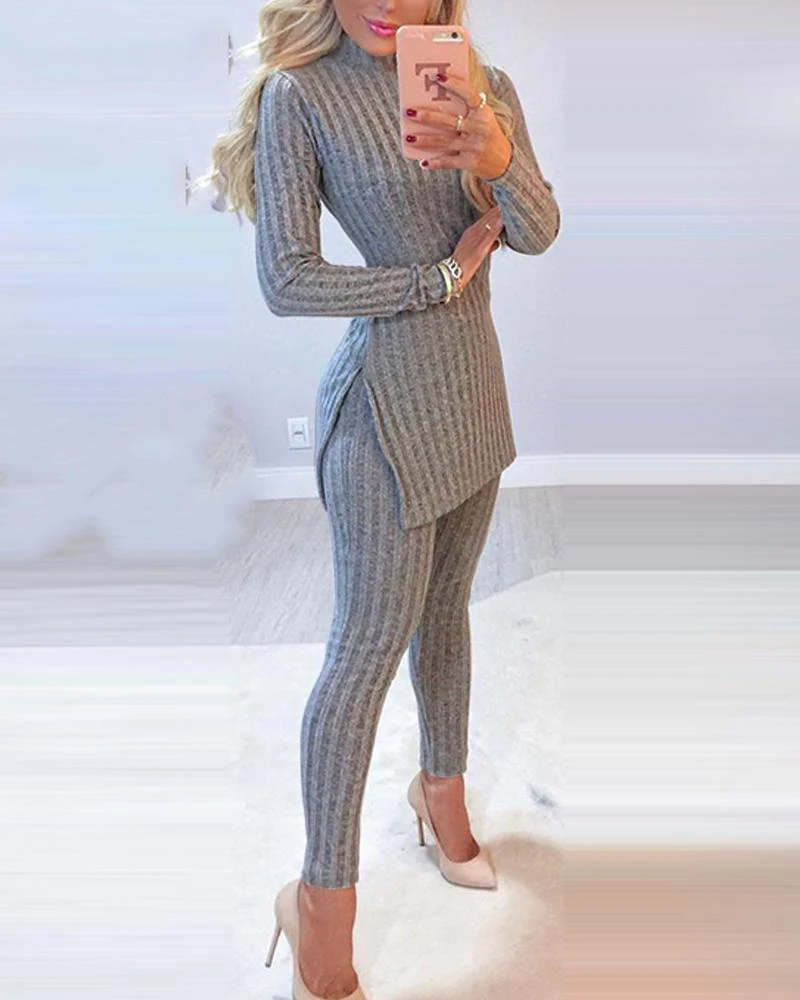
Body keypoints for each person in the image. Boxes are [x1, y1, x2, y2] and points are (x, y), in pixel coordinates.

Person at [202, 1, 559, 997]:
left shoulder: (484, 89)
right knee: (361, 656)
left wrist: (496, 154)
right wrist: (433, 279)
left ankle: (439, 796)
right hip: (381, 415)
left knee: (446, 611)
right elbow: (287, 279)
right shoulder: (301, 95)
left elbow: (537, 231)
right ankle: (319, 906)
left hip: (474, 397)